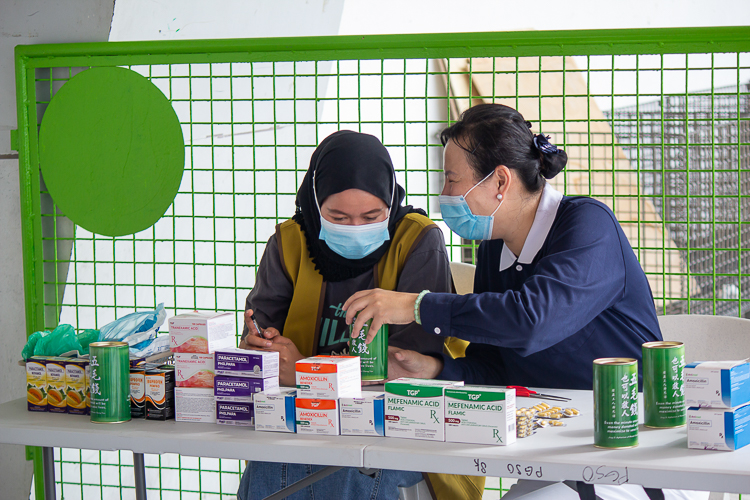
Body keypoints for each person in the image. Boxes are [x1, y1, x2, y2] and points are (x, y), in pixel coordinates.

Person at [343, 104, 708, 500]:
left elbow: (531, 322)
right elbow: (496, 366)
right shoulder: (493, 253)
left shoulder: (588, 225)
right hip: (555, 451)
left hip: (636, 454)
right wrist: (434, 368)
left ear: (500, 180)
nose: (444, 195)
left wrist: (416, 306)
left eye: (451, 179)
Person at [236, 130, 453, 500]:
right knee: (271, 463)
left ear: (391, 201)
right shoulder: (291, 242)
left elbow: (403, 369)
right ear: (316, 203)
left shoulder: (416, 240)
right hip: (301, 416)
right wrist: (259, 349)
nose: (356, 229)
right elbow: (259, 340)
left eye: (372, 216)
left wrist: (304, 369)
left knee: (347, 465)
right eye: (337, 216)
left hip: (397, 424)